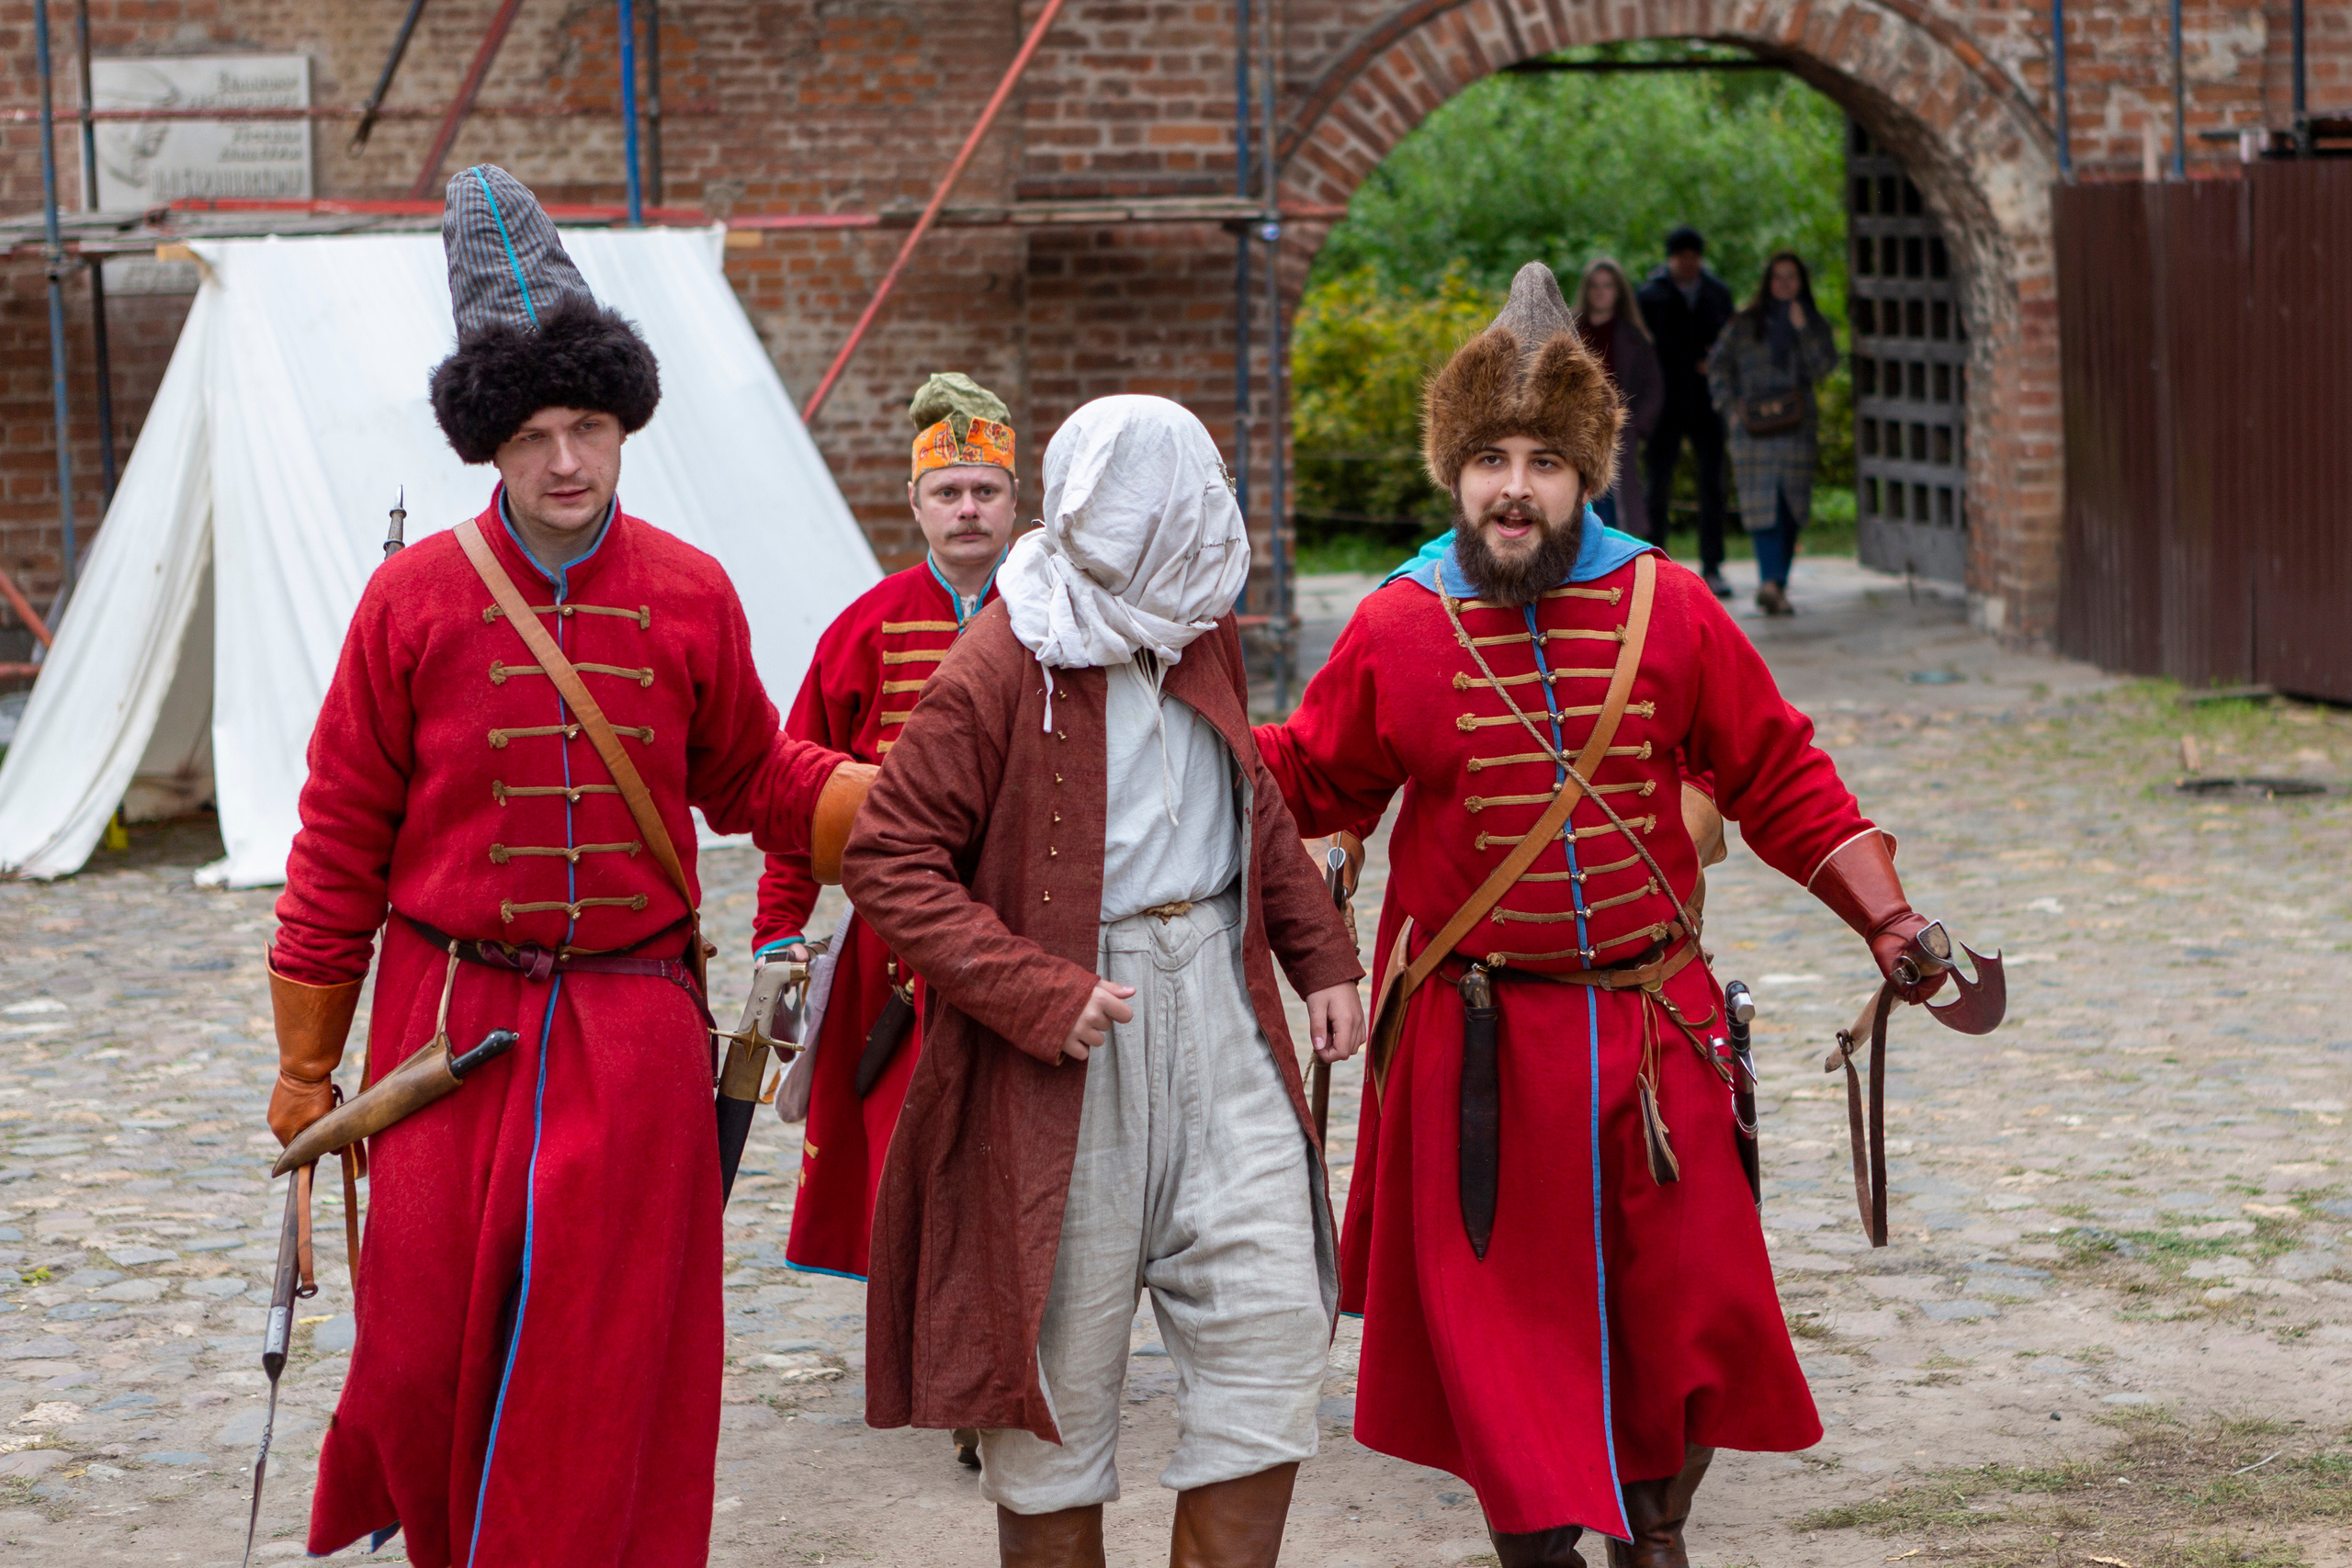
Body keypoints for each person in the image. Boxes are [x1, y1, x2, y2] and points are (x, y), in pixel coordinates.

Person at [1254, 261, 1954, 1568]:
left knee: (1689, 1297)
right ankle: (1536, 1544)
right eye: (1487, 460)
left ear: (1587, 477)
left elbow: (1778, 770)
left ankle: (1660, 1528)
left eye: (1541, 461)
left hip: (1652, 1024)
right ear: (1452, 473)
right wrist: (1177, 720)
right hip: (1475, 1044)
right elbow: (1310, 772)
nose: (1511, 487)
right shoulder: (1399, 626)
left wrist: (1889, 917)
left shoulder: (1668, 604)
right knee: (1499, 1326)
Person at [264, 165, 867, 1568]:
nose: (566, 462)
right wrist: (309, 1059)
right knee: (415, 1354)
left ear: (621, 421)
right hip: (443, 1028)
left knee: (599, 1370)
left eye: (587, 424)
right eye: (533, 433)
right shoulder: (408, 603)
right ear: (492, 442)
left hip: (633, 1025)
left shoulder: (689, 588)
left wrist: (881, 808)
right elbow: (340, 835)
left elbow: (750, 777)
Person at [842, 394, 1367, 1568]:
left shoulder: (1198, 624)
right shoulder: (1002, 654)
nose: (1190, 532)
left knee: (1274, 1326)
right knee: (1055, 1375)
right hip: (1068, 1046)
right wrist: (1032, 988)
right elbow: (888, 855)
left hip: (1222, 1011)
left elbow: (1252, 796)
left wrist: (1317, 953)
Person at [752, 371, 1019, 1288]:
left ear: (1015, 502)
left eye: (985, 490)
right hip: (893, 945)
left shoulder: (1060, 615)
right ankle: (916, 1310)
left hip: (1028, 926)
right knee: (896, 1130)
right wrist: (779, 932)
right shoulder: (864, 628)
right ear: (915, 504)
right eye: (948, 493)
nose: (968, 509)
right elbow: (796, 790)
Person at [1709, 251, 1839, 616]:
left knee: (1791, 505)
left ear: (1801, 283)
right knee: (1761, 506)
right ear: (1768, 282)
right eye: (1778, 277)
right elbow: (1719, 366)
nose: (1784, 284)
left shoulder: (1812, 323)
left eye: (1792, 277)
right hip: (1752, 432)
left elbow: (1825, 367)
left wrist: (1803, 330)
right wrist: (1731, 411)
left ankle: (1775, 584)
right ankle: (1772, 583)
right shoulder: (1745, 323)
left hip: (1796, 429)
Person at [1635, 228, 1735, 599]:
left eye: (1693, 255)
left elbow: (1731, 340)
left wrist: (1716, 365)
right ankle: (1656, 562)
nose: (1688, 262)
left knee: (1713, 484)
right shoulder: (1651, 296)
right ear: (1671, 258)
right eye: (1681, 256)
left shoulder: (1717, 293)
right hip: (1665, 402)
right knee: (1658, 484)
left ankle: (1713, 564)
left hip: (1708, 402)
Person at [1571, 258, 1663, 537]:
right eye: (1595, 286)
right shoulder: (1569, 332)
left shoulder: (1633, 336)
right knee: (1578, 497)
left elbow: (1654, 387)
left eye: (1608, 286)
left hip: (1618, 434)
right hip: (1576, 432)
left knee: (1616, 505)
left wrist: (1638, 425)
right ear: (1586, 290)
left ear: (1618, 291)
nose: (1600, 292)